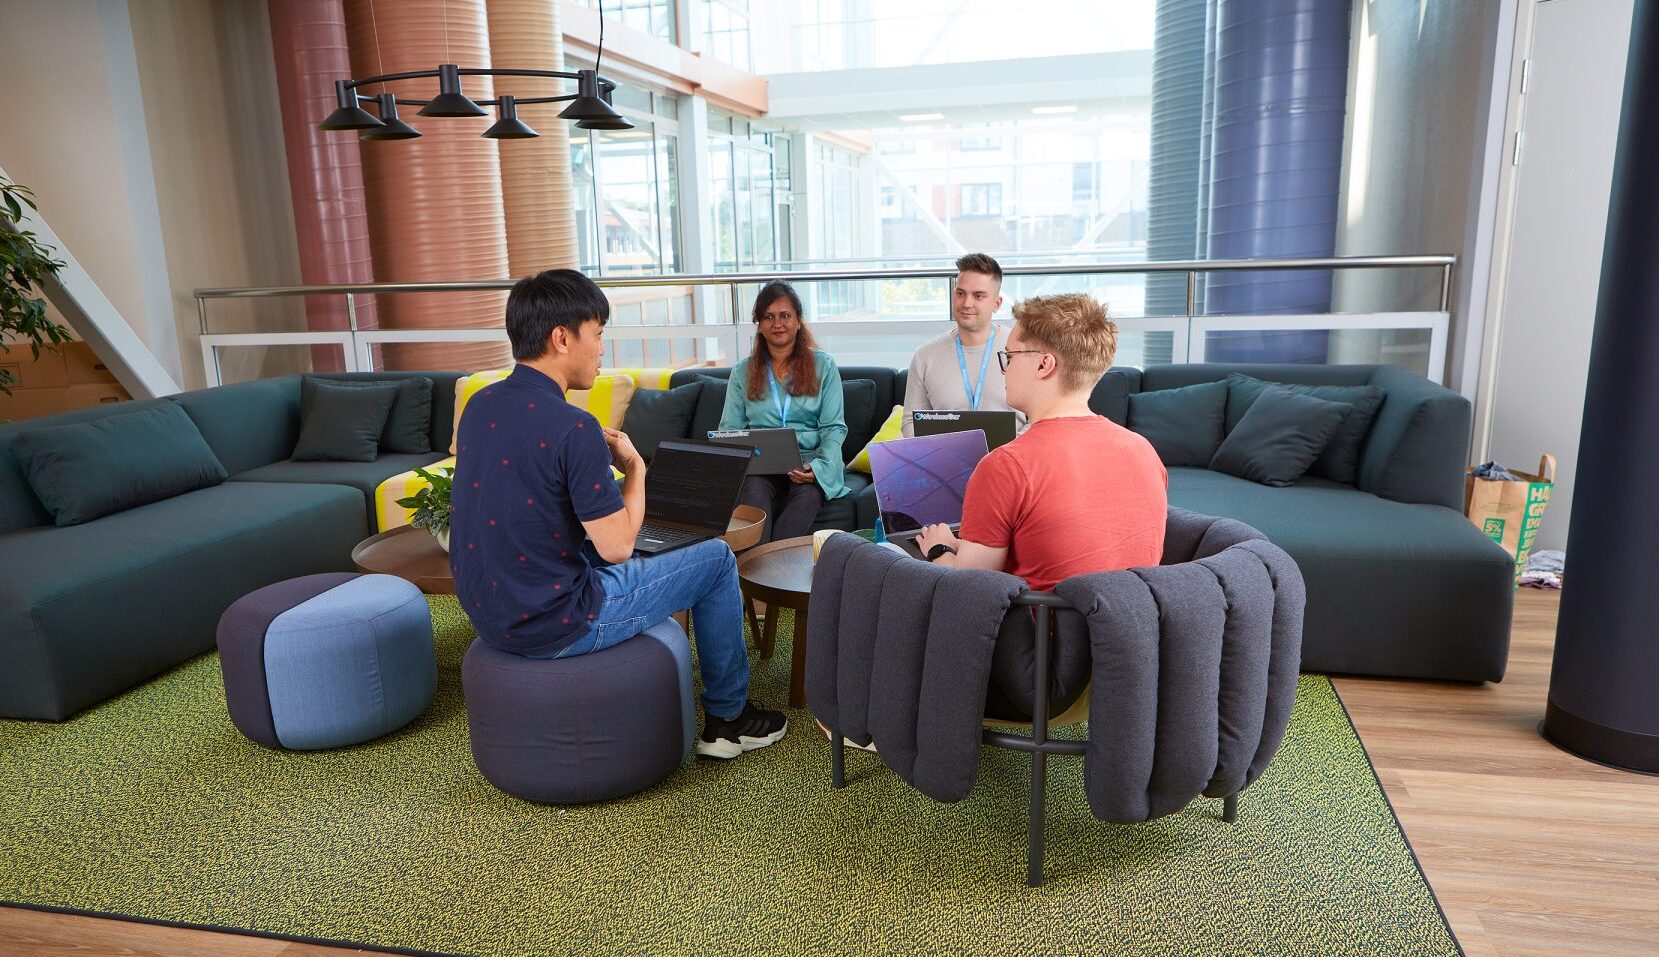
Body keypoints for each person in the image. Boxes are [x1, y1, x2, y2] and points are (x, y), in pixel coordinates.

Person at [449, 269, 787, 760]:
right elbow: (618, 547)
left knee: (629, 551)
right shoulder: (574, 426)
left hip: (488, 615)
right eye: (598, 333)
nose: (602, 349)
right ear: (562, 338)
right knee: (715, 559)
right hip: (560, 624)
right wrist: (635, 469)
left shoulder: (480, 406)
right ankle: (729, 721)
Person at [915, 293, 1167, 591]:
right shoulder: (1144, 450)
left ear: (1044, 365)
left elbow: (970, 591)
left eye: (1009, 357)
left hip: (1040, 622)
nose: (1004, 369)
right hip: (1130, 618)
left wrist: (939, 549)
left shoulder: (1006, 466)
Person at [718, 280, 850, 543]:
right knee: (753, 491)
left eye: (785, 316)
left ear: (798, 321)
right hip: (760, 465)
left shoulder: (823, 365)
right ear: (760, 325)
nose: (777, 323)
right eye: (768, 317)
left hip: (809, 461)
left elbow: (834, 428)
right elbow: (729, 430)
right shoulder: (742, 371)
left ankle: (765, 561)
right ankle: (757, 563)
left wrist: (819, 467)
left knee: (808, 496)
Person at [901, 252, 1028, 437]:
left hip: (1010, 454)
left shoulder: (1022, 348)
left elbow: (1041, 419)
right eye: (961, 293)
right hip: (945, 454)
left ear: (997, 303)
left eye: (978, 296)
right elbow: (910, 422)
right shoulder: (925, 355)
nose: (967, 303)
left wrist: (1008, 451)